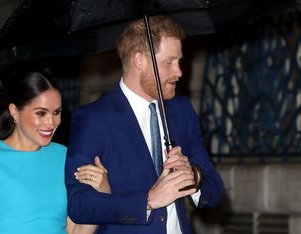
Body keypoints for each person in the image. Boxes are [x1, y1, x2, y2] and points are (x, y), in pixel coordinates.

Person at [65, 15, 224, 233]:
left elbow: (215, 190)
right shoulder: (94, 118)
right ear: (139, 60)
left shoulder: (181, 110)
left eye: (179, 61)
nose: (179, 72)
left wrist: (193, 177)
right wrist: (148, 200)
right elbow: (79, 205)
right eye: (169, 62)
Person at [0, 71, 109, 234]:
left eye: (56, 112)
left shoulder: (63, 155)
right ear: (15, 112)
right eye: (41, 113)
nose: (51, 122)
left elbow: (74, 230)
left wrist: (102, 195)